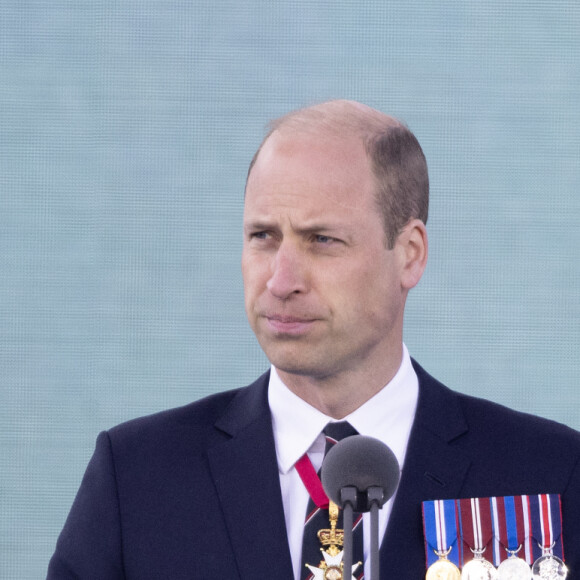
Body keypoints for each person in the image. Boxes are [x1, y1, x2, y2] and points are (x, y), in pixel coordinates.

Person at [47, 100, 580, 580]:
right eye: (263, 237)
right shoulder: (138, 477)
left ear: (411, 253)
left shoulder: (551, 473)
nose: (281, 281)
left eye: (322, 240)